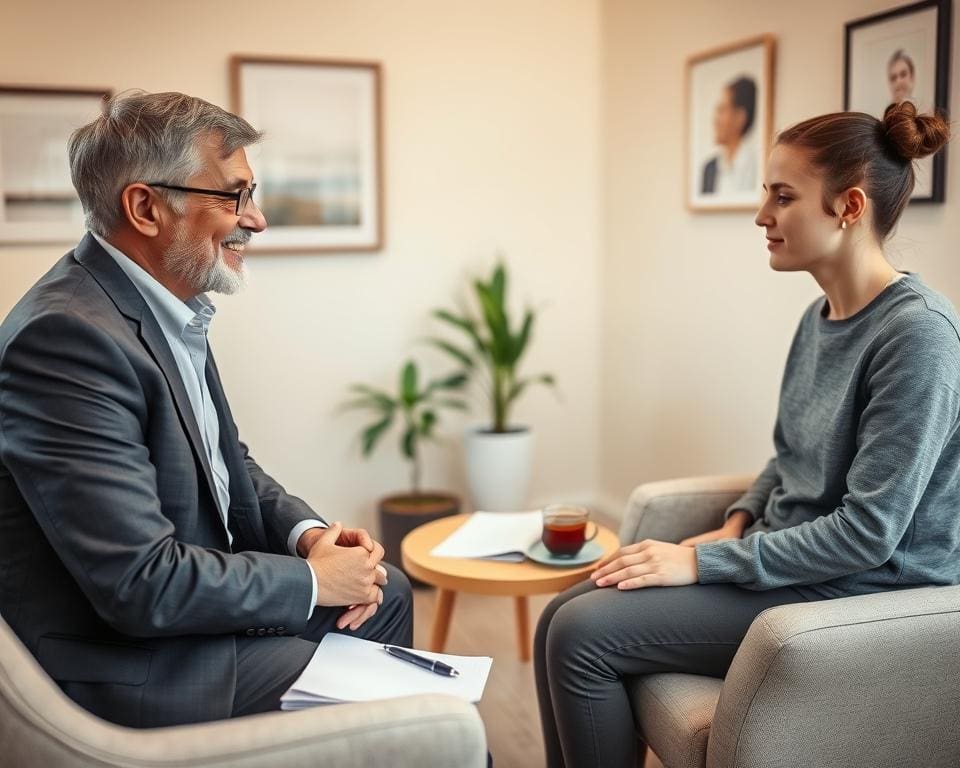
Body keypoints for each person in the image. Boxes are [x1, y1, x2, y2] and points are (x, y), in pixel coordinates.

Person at [535, 101, 955, 768]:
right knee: (559, 615)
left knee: (582, 635)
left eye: (782, 197)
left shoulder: (918, 336)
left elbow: (869, 534)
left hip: (863, 591)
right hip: (793, 563)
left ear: (848, 207)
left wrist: (701, 564)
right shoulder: (821, 317)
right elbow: (790, 457)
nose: (762, 215)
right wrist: (735, 522)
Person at [0, 91, 413, 728]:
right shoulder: (65, 340)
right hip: (131, 665)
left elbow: (225, 462)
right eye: (234, 196)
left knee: (390, 593)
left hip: (182, 621)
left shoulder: (165, 304)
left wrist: (309, 537)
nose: (257, 220)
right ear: (145, 208)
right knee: (426, 718)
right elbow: (141, 582)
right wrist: (313, 582)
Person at [700, 76, 757, 195]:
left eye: (722, 110)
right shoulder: (709, 169)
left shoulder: (756, 166)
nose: (715, 120)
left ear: (740, 117)